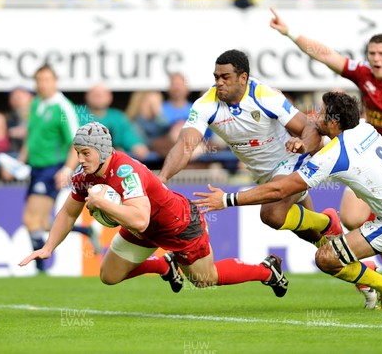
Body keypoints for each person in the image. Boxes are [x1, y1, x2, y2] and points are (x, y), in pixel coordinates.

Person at [193, 91, 382, 310]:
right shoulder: (364, 126)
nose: (315, 117)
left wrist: (229, 199)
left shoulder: (333, 156)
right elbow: (327, 145)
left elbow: (279, 190)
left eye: (322, 115)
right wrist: (304, 145)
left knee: (326, 257)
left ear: (335, 122)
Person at [19, 122, 290, 297]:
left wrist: (102, 203)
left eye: (85, 153)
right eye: (77, 152)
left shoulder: (126, 171)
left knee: (206, 279)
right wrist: (48, 247)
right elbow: (68, 213)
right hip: (144, 228)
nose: (80, 159)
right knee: (108, 276)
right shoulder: (84, 176)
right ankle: (164, 265)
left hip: (177, 224)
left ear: (102, 151)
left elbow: (138, 219)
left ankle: (267, 270)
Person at [269, 8, 382, 288]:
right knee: (350, 217)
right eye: (372, 53)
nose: (376, 58)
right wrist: (290, 32)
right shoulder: (364, 75)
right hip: (367, 154)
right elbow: (325, 54)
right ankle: (374, 267)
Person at [158, 49, 340, 249]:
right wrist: (163, 178)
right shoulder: (205, 105)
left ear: (243, 78)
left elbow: (308, 126)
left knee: (271, 215)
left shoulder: (264, 95)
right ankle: (346, 257)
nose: (219, 82)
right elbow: (185, 145)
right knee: (318, 242)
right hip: (262, 175)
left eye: (225, 77)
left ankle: (328, 223)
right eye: (216, 77)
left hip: (290, 162)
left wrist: (303, 144)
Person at [16, 64, 80, 273]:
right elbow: (30, 136)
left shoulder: (63, 107)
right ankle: (85, 231)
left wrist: (67, 170)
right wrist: (20, 161)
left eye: (46, 80)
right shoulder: (35, 103)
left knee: (30, 219)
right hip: (35, 169)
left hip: (51, 169)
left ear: (55, 82)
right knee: (43, 222)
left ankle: (41, 268)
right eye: (39, 80)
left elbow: (76, 143)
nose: (42, 84)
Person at [78, 84, 150, 161]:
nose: (99, 97)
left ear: (110, 97)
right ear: (86, 96)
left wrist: (136, 145)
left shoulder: (117, 116)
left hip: (113, 162)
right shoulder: (76, 113)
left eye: (103, 94)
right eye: (95, 94)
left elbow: (127, 134)